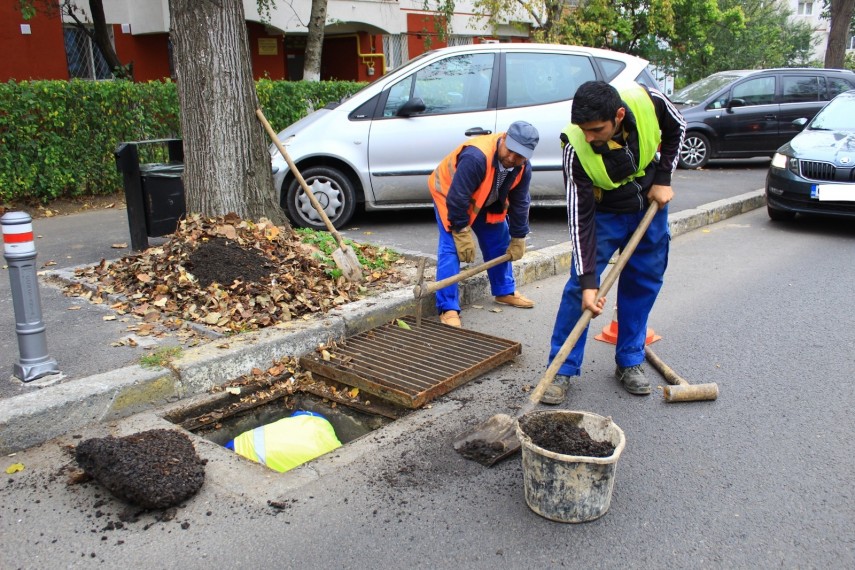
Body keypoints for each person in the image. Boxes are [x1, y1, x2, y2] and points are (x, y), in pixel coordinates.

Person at [543, 80, 686, 404]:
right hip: (604, 214)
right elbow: (579, 219)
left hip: (649, 204)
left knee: (643, 282)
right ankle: (561, 369)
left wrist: (664, 179)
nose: (588, 137)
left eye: (596, 130)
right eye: (583, 130)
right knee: (579, 290)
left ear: (619, 116)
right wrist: (589, 282)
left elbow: (678, 127)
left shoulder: (649, 101)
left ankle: (630, 360)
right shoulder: (575, 148)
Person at [428, 120, 540, 327]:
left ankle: (504, 291)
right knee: (452, 249)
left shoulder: (522, 167)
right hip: (450, 196)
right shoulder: (476, 156)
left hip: (486, 199)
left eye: (519, 156)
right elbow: (458, 197)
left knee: (499, 241)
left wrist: (519, 236)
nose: (512, 158)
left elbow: (520, 202)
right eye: (510, 151)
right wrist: (461, 230)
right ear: (504, 138)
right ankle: (447, 307)